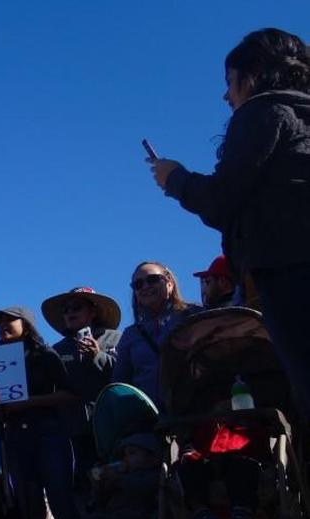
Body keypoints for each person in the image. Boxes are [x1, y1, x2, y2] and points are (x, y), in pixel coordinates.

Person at [151, 28, 310, 414]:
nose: (227, 95)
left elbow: (223, 199)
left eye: (229, 82)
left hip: (292, 272)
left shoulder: (263, 112)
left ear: (252, 74)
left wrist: (174, 179)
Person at [0, 306, 80, 519]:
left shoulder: (44, 355)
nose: (3, 326)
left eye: (8, 320)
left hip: (48, 433)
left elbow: (69, 394)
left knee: (61, 502)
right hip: (16, 438)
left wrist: (29, 402)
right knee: (28, 511)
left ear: (25, 324)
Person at [40, 287, 123, 488]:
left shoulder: (115, 338)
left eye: (76, 307)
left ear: (93, 311)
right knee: (82, 489)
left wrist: (97, 356)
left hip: (113, 428)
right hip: (73, 432)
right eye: (66, 310)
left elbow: (124, 374)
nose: (70, 313)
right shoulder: (55, 350)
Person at [112, 262, 199, 409]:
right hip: (149, 421)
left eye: (152, 279)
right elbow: (120, 383)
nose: (145, 286)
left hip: (196, 412)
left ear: (169, 283)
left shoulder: (195, 316)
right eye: (138, 284)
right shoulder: (130, 335)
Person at [75, 433, 161, 519]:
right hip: (112, 512)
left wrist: (119, 480)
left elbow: (142, 488)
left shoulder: (152, 474)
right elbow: (101, 499)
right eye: (125, 455)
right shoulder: (120, 474)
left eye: (132, 453)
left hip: (137, 514)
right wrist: (97, 484)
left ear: (151, 458)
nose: (126, 458)